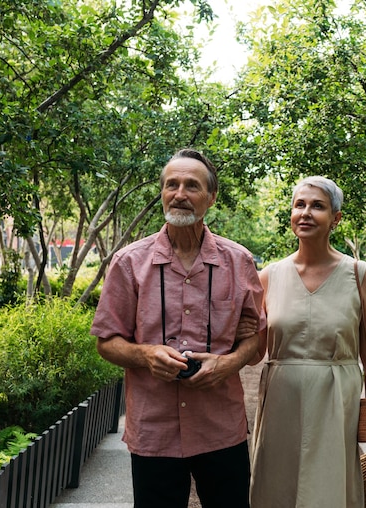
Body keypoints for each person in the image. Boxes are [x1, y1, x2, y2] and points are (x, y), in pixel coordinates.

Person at [90, 148, 265, 508]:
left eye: (192, 185)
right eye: (172, 185)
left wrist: (229, 363)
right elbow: (106, 342)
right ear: (162, 192)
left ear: (211, 197)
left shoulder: (238, 262)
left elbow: (256, 340)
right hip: (154, 428)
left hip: (220, 427)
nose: (180, 194)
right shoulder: (129, 263)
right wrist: (145, 354)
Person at [249, 176, 366, 507]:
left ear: (336, 218)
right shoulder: (268, 276)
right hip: (280, 403)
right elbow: (252, 350)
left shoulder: (359, 275)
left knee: (329, 491)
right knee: (277, 489)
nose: (305, 213)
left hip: (337, 405)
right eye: (299, 205)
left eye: (317, 206)